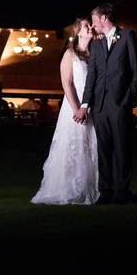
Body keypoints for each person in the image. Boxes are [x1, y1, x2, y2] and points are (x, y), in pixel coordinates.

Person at [74, 3, 137, 205]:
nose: (93, 24)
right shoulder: (96, 44)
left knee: (122, 149)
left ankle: (121, 191)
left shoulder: (128, 36)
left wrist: (128, 100)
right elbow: (92, 77)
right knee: (103, 150)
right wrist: (86, 104)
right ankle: (104, 192)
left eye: (94, 19)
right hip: (99, 107)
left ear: (104, 18)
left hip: (120, 104)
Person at [31, 18, 100, 205]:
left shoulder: (95, 53)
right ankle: (68, 188)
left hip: (91, 106)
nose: (90, 27)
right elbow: (67, 84)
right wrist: (76, 108)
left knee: (90, 146)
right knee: (73, 144)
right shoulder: (70, 54)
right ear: (78, 32)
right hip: (74, 106)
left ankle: (89, 187)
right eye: (86, 26)